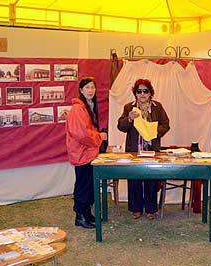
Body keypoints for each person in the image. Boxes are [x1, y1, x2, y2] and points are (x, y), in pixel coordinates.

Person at [117, 79, 170, 220]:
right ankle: (136, 208)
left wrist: (155, 133)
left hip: (151, 149)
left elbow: (166, 124)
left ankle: (151, 209)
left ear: (150, 92)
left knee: (151, 178)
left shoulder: (157, 107)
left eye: (145, 90)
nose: (142, 94)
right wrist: (128, 118)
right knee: (134, 179)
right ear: (135, 93)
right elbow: (121, 126)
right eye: (139, 91)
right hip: (134, 150)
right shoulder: (129, 107)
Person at [66, 77, 108, 229]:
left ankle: (87, 214)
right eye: (87, 87)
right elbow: (81, 134)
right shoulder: (78, 109)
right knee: (83, 186)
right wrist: (99, 137)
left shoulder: (87, 107)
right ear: (81, 90)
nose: (91, 90)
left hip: (88, 153)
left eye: (93, 87)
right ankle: (80, 216)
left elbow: (87, 131)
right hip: (82, 154)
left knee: (89, 185)